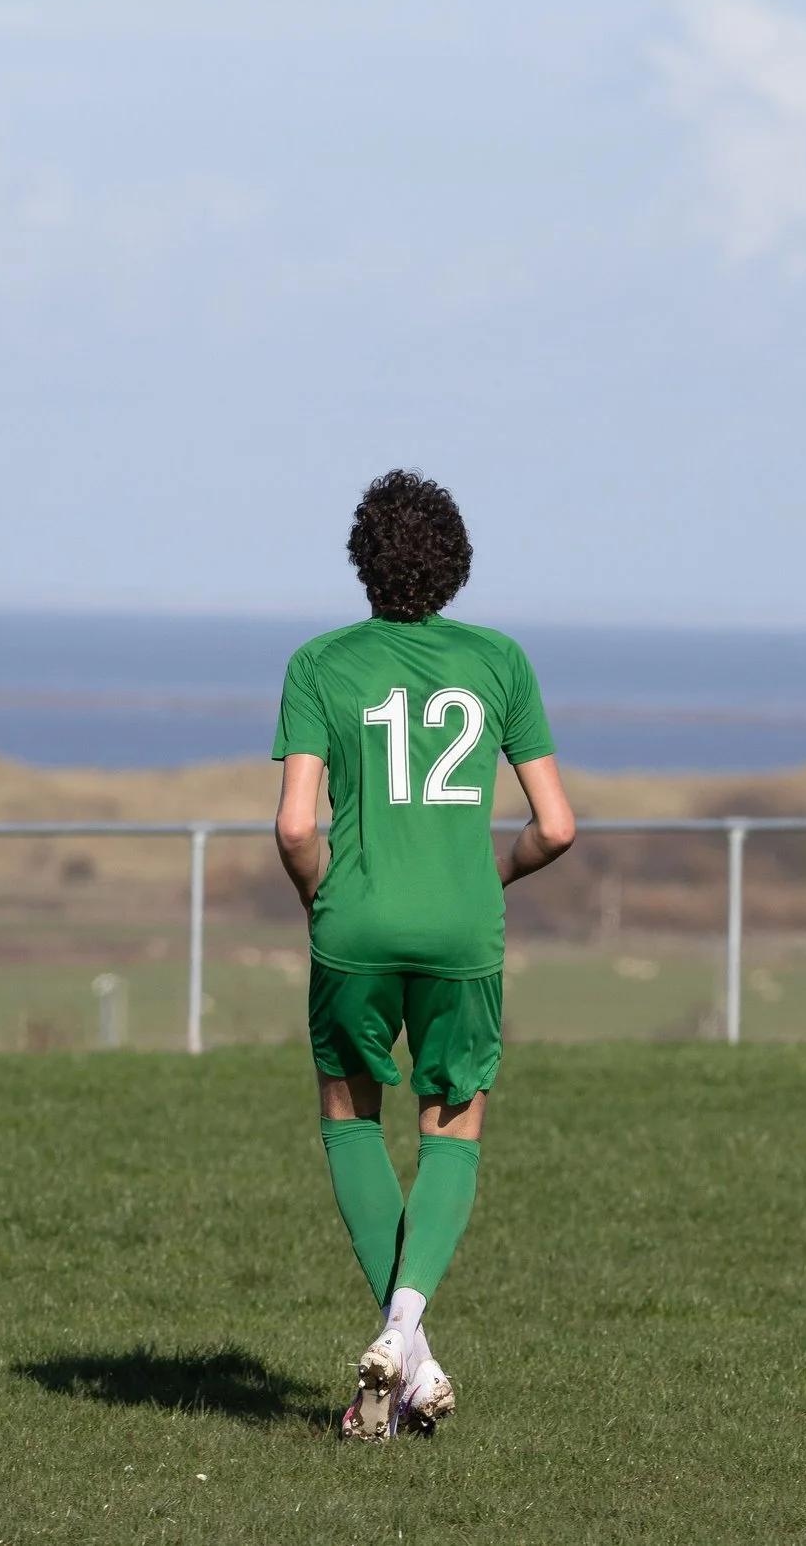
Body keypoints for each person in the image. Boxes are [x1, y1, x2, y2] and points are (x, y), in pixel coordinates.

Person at [272, 470, 576, 1441]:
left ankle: (409, 1348)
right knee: (452, 1121)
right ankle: (407, 1333)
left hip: (352, 925)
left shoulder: (320, 663)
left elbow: (292, 827)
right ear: (456, 566)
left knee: (349, 1114)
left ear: (361, 563)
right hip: (461, 931)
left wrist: (326, 902)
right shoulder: (500, 661)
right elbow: (557, 826)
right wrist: (489, 880)